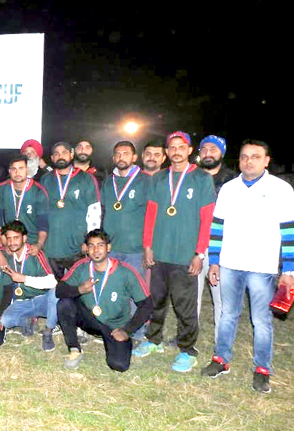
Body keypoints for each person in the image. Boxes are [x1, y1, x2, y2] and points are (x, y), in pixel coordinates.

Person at [201, 139, 294, 393]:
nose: (249, 161)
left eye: (256, 156)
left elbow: (289, 231)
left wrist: (289, 270)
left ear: (267, 160)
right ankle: (221, 359)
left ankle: (262, 368)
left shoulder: (281, 188)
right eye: (245, 156)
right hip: (229, 264)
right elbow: (217, 227)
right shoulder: (228, 188)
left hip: (263, 267)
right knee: (227, 314)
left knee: (261, 320)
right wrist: (214, 261)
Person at [134, 131, 215, 373]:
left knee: (184, 305)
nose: (176, 151)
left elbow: (207, 219)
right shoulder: (159, 179)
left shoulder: (201, 178)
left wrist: (200, 253)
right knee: (156, 301)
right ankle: (153, 340)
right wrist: (148, 246)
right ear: (167, 152)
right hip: (159, 253)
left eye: (181, 147)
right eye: (172, 147)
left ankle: (187, 349)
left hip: (185, 255)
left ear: (190, 150)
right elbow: (150, 216)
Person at [56, 229, 151, 371]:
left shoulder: (126, 272)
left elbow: (147, 305)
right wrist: (79, 290)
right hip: (90, 319)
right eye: (91, 246)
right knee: (64, 304)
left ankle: (120, 343)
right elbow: (60, 290)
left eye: (100, 245)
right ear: (87, 249)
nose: (96, 250)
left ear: (108, 247)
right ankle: (74, 349)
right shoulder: (82, 266)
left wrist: (127, 330)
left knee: (119, 365)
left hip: (115, 327)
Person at [40, 141, 101, 279]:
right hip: (51, 247)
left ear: (71, 154)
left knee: (80, 289)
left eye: (64, 152)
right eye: (56, 154)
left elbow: (94, 212)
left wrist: (90, 241)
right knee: (53, 291)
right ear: (52, 158)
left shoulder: (86, 178)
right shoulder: (45, 179)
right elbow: (41, 213)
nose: (60, 156)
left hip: (77, 246)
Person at [195, 135, 234, 341]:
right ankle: (189, 336)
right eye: (204, 149)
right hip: (193, 246)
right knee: (192, 296)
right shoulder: (191, 177)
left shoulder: (234, 181)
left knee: (221, 298)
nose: (208, 153)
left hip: (222, 247)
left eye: (213, 149)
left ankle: (222, 339)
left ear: (222, 153)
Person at [0, 221, 59, 350]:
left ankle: (48, 331)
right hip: (23, 302)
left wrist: (24, 279)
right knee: (5, 321)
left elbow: (52, 282)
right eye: (9, 239)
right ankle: (28, 321)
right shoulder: (8, 256)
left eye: (16, 238)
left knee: (55, 293)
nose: (12, 242)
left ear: (24, 238)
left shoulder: (36, 254)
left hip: (42, 300)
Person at [100, 141, 149, 275]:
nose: (121, 157)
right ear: (114, 158)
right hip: (111, 248)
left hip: (136, 251)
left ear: (134, 157)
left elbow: (153, 216)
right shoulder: (108, 182)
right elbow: (102, 213)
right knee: (112, 290)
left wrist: (149, 248)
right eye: (118, 154)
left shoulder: (146, 180)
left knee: (134, 291)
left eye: (126, 154)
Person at [0, 157, 49, 252]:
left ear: (27, 170)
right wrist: (5, 242)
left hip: (31, 242)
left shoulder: (39, 191)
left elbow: (43, 222)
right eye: (14, 169)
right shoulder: (1, 189)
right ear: (9, 171)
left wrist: (39, 245)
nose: (17, 173)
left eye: (21, 168)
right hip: (9, 241)